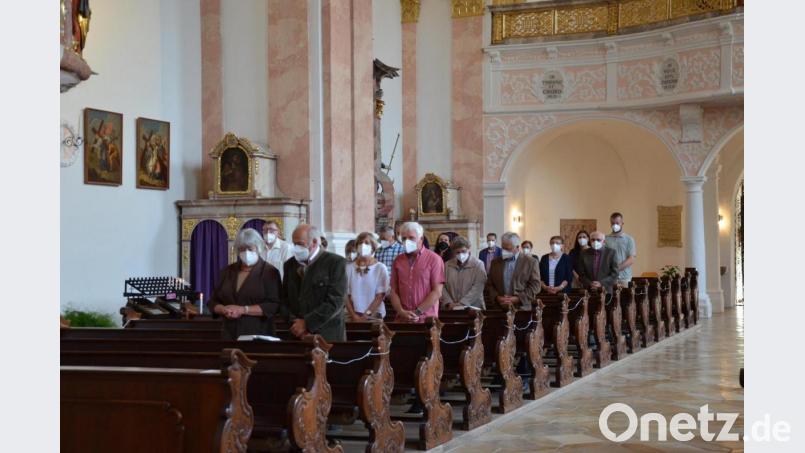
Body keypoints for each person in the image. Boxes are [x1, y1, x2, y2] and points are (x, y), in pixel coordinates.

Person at [209, 228, 281, 340]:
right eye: (242, 249)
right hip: (229, 333)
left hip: (258, 333)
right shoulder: (227, 271)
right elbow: (212, 302)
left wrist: (243, 310)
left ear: (258, 248)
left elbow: (273, 305)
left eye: (250, 248)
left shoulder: (269, 272)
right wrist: (223, 309)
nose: (246, 252)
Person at [280, 224, 348, 342]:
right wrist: (295, 323)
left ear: (315, 242)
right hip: (296, 333)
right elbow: (284, 299)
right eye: (294, 244)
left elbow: (336, 300)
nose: (296, 248)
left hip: (327, 335)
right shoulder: (289, 265)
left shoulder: (335, 262)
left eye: (300, 244)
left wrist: (307, 323)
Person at [389, 221, 444, 323]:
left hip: (426, 319)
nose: (407, 241)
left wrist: (417, 312)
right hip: (402, 318)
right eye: (404, 238)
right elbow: (393, 291)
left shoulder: (434, 259)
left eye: (411, 238)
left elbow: (437, 292)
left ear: (421, 239)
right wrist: (401, 311)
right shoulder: (398, 260)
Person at [484, 232, 541, 310]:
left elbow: (536, 286)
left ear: (517, 247)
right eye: (503, 248)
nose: (504, 251)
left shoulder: (530, 262)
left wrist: (518, 298)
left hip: (521, 308)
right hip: (500, 307)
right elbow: (489, 284)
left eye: (508, 249)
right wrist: (497, 297)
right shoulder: (495, 262)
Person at [346, 232, 389, 321]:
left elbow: (380, 296)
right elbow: (345, 295)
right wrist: (353, 315)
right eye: (360, 243)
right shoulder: (349, 267)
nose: (363, 245)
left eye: (366, 243)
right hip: (352, 314)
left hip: (374, 314)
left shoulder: (380, 268)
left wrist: (366, 315)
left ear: (373, 247)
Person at [441, 236, 487, 310]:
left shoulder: (478, 264)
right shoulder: (447, 265)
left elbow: (478, 287)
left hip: (472, 308)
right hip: (451, 308)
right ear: (453, 252)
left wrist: (462, 303)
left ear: (469, 249)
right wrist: (449, 302)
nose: (461, 254)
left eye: (463, 251)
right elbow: (442, 286)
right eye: (458, 252)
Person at [606, 212, 637, 288]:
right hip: (610, 278)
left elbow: (631, 259)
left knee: (625, 299)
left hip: (624, 278)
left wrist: (616, 269)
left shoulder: (629, 239)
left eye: (617, 223)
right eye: (612, 223)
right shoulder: (606, 239)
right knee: (610, 299)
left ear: (622, 223)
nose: (615, 225)